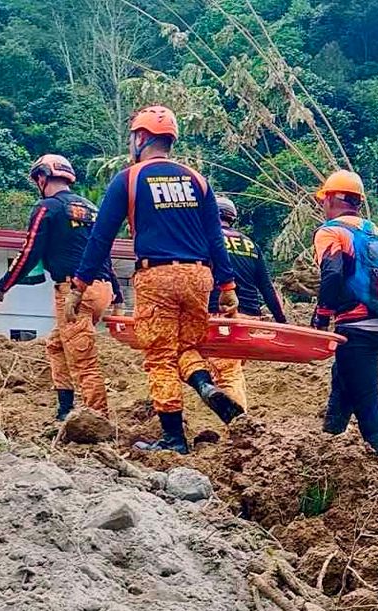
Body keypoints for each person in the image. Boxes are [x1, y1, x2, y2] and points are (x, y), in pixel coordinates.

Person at [72, 105, 241, 454]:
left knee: (160, 356)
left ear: (141, 137)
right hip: (199, 276)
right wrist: (228, 288)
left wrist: (80, 284)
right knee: (186, 346)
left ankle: (174, 440)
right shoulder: (198, 180)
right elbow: (215, 239)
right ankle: (204, 384)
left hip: (156, 275)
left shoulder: (129, 179)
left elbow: (101, 238)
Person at [0, 154, 124, 420]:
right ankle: (65, 409)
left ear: (42, 177)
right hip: (102, 289)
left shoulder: (46, 208)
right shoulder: (91, 209)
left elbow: (29, 252)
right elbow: (102, 251)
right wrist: (117, 292)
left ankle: (98, 419)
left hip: (74, 293)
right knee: (56, 345)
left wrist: (2, 287)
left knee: (83, 359)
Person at [310, 170, 378, 472]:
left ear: (329, 198)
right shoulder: (376, 233)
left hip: (357, 329)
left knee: (369, 408)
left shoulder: (330, 232)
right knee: (342, 394)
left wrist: (322, 318)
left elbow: (331, 273)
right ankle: (323, 463)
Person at [206, 196, 287, 410]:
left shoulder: (206, 240)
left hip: (221, 315)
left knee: (226, 374)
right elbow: (267, 288)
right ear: (233, 218)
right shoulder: (251, 245)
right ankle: (231, 422)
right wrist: (282, 322)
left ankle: (239, 426)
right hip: (250, 317)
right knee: (229, 369)